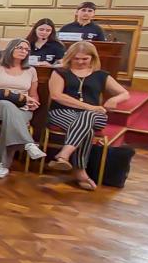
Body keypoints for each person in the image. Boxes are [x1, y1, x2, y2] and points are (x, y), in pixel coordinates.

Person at [46, 41, 130, 189]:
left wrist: (114, 99)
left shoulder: (101, 75)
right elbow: (57, 96)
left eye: (85, 59)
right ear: (70, 57)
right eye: (76, 58)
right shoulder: (60, 72)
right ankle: (80, 171)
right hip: (62, 112)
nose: (80, 62)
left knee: (87, 117)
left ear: (93, 58)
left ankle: (64, 154)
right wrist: (89, 107)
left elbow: (125, 93)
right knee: (87, 129)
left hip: (94, 116)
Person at [0, 39, 46, 178]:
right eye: (20, 48)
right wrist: (15, 97)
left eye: (26, 49)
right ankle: (28, 143)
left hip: (23, 108)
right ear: (11, 49)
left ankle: (2, 165)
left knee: (11, 121)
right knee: (8, 105)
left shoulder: (31, 70)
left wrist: (34, 102)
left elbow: (33, 94)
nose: (24, 51)